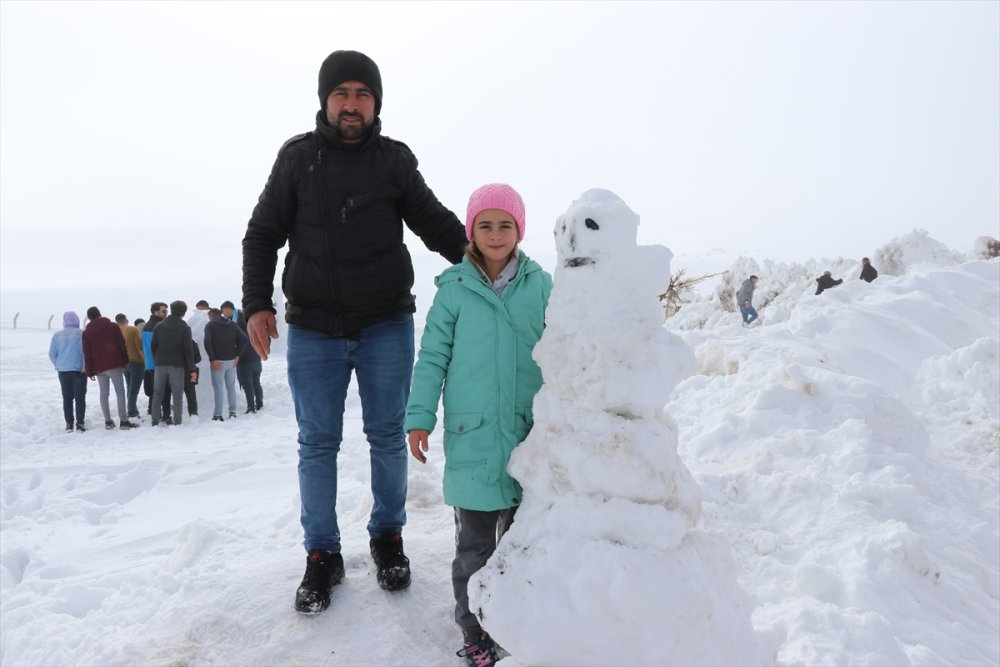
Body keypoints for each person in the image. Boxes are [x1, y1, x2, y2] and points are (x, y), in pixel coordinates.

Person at [241, 49, 468, 614]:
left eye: (362, 94)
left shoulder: (393, 161)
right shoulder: (296, 159)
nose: (351, 104)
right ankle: (323, 555)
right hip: (314, 326)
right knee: (316, 443)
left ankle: (388, 537)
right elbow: (262, 233)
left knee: (388, 436)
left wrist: (484, 261)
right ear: (325, 100)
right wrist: (255, 304)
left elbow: (432, 220)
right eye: (341, 93)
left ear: (376, 103)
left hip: (386, 322)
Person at [405, 184, 552, 665]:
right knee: (474, 547)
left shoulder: (542, 286)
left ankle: (517, 618)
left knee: (524, 540)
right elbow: (431, 360)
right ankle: (473, 629)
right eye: (484, 225)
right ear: (471, 231)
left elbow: (563, 350)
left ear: (519, 230)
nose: (495, 234)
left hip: (529, 436)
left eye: (504, 224)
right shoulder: (453, 290)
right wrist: (420, 417)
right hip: (472, 438)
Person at [82, 306, 136, 430]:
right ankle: (123, 421)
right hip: (114, 364)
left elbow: (87, 353)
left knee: (104, 394)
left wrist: (89, 371)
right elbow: (121, 344)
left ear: (89, 318)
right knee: (120, 392)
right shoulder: (112, 326)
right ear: (100, 314)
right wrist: (125, 361)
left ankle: (108, 421)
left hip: (99, 367)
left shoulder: (87, 332)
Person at [150, 300, 197, 426]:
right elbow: (188, 349)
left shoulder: (159, 326)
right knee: (177, 394)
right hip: (177, 364)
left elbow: (153, 345)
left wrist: (157, 359)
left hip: (160, 363)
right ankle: (177, 421)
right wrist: (192, 369)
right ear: (184, 312)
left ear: (171, 309)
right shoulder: (185, 327)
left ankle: (154, 420)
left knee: (158, 393)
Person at [204, 307, 249, 421]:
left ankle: (218, 414)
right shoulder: (232, 325)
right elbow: (244, 339)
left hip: (217, 361)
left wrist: (212, 359)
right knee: (231, 387)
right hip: (231, 361)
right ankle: (232, 412)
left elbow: (207, 342)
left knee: (219, 388)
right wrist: (238, 355)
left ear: (211, 316)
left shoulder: (210, 326)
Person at [49, 311, 88, 432]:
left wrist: (58, 365)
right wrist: (85, 367)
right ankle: (80, 424)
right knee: (80, 398)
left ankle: (69, 424)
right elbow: (85, 353)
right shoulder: (82, 334)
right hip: (79, 370)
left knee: (67, 398)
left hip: (63, 371)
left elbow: (52, 354)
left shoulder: (57, 335)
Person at [142, 302, 172, 423]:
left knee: (156, 392)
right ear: (156, 312)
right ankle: (166, 415)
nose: (166, 313)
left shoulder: (146, 326)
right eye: (164, 311)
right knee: (165, 392)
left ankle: (156, 415)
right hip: (159, 364)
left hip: (149, 365)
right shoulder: (159, 326)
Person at [116, 313, 145, 420]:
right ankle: (132, 411)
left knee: (130, 387)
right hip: (137, 362)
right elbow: (139, 346)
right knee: (134, 390)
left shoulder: (117, 332)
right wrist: (145, 360)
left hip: (125, 363)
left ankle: (133, 409)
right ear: (126, 320)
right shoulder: (133, 330)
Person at [236, 311, 264, 413]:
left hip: (244, 360)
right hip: (257, 358)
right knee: (257, 382)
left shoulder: (238, 326)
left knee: (248, 386)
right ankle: (260, 403)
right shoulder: (255, 324)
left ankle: (251, 407)